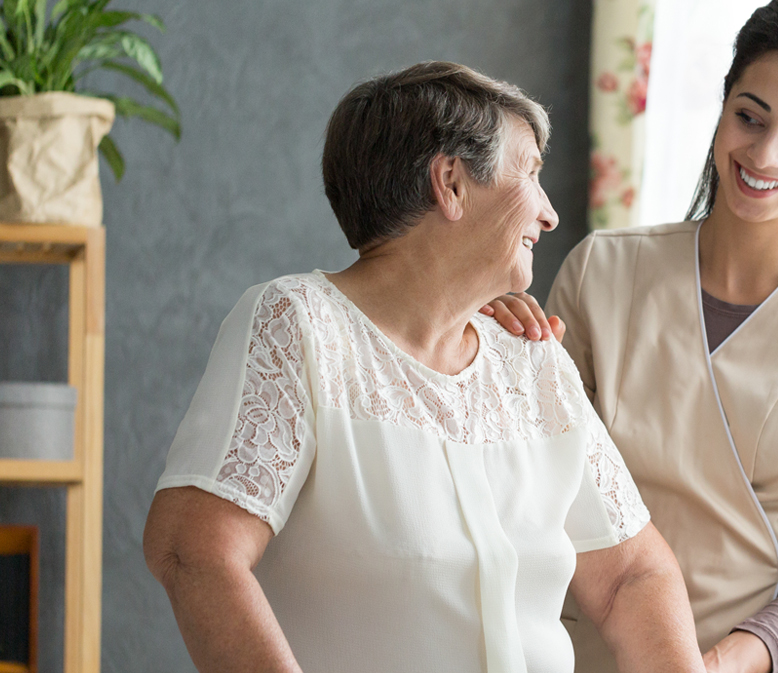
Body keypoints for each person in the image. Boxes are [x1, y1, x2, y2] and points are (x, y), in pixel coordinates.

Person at [142, 61, 706, 673]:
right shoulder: (300, 327)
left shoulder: (532, 361)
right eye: (531, 174)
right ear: (451, 184)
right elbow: (193, 549)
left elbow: (633, 575)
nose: (550, 214)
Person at [486, 2, 778, 672]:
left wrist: (720, 662)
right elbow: (528, 483)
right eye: (749, 116)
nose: (764, 153)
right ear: (723, 107)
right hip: (578, 649)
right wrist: (498, 355)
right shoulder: (604, 270)